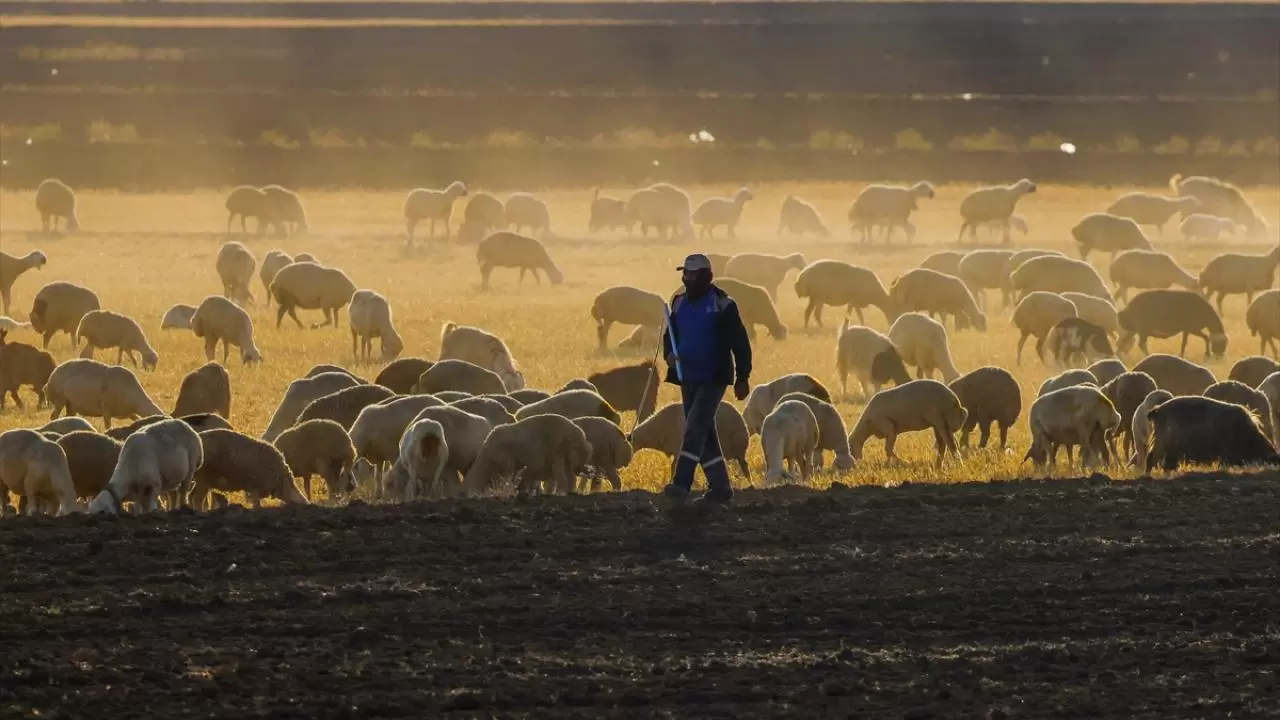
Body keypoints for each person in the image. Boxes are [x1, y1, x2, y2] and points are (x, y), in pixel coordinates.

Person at [661, 253, 752, 504]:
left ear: (705, 277)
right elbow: (670, 334)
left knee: (694, 427)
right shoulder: (678, 302)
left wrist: (743, 376)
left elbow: (739, 342)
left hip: (713, 376)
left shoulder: (723, 305)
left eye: (691, 274)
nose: (685, 278)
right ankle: (721, 488)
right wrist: (669, 353)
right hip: (686, 376)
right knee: (705, 433)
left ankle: (681, 483)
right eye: (684, 274)